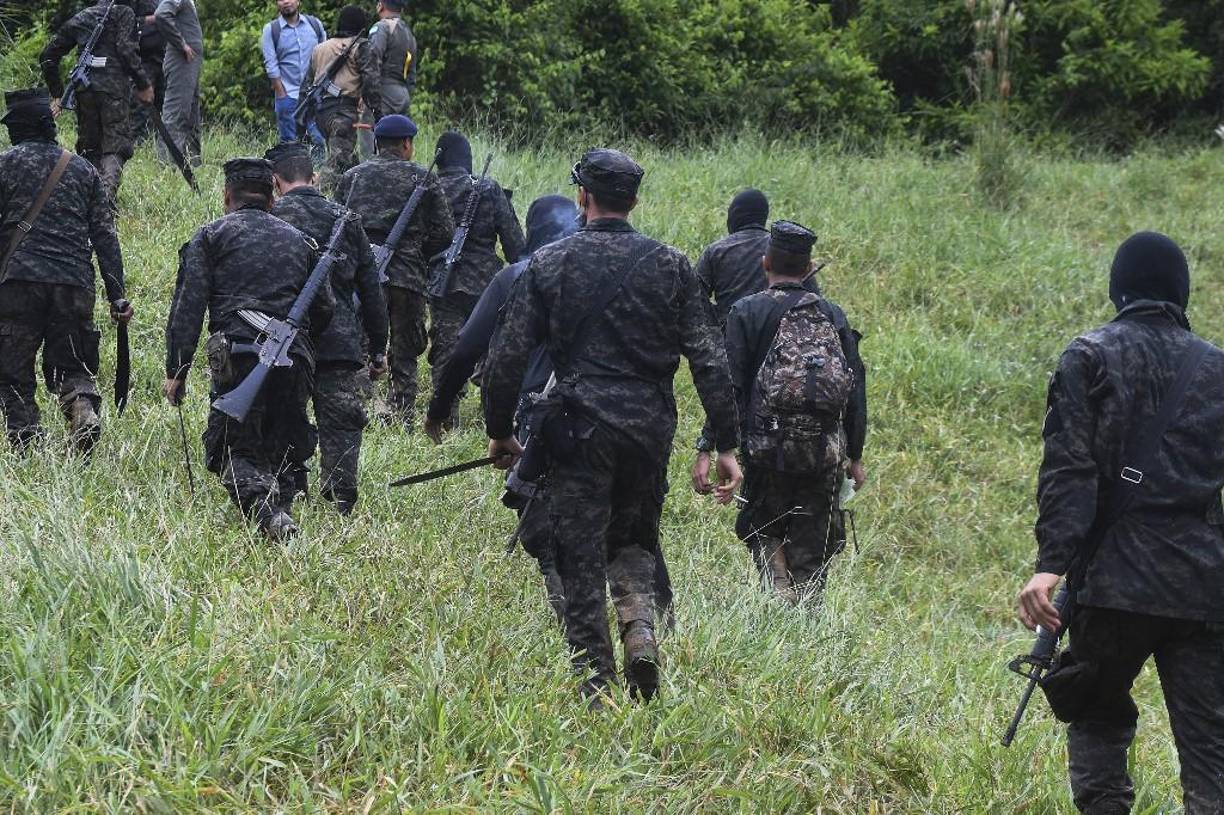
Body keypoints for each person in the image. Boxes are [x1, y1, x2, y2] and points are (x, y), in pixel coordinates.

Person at [482, 148, 743, 703]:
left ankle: (596, 684)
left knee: (578, 554)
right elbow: (711, 360)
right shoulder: (672, 265)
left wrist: (500, 430)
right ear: (634, 201)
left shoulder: (550, 263)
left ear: (583, 196)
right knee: (633, 537)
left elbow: (506, 356)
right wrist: (724, 443)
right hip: (649, 430)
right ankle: (640, 627)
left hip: (579, 429)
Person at [1018, 232, 1224, 814]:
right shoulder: (1218, 369)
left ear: (1119, 288)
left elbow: (1069, 470)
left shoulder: (1089, 355)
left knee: (1096, 712)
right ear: (1181, 292)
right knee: (1210, 746)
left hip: (1114, 581)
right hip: (1204, 587)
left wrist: (1050, 566)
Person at [163, 158, 334, 540]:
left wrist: (177, 370)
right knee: (283, 445)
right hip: (294, 358)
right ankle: (282, 520)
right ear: (273, 197)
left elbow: (188, 308)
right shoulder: (301, 241)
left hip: (237, 357)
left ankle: (267, 512)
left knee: (231, 448)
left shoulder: (210, 236)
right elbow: (325, 308)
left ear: (227, 195)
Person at [698, 221, 867, 604]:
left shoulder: (747, 311)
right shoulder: (833, 315)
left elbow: (728, 387)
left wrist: (715, 446)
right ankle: (805, 614)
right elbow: (856, 390)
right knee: (812, 545)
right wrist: (855, 456)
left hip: (766, 450)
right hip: (824, 453)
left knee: (765, 528)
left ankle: (777, 594)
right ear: (808, 269)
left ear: (765, 263)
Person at [0, 89, 133, 454]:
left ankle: (26, 440)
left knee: (12, 371)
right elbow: (105, 236)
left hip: (19, 283)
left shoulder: (5, 164)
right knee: (73, 365)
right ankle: (81, 407)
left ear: (19, 127)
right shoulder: (83, 169)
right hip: (74, 284)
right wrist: (117, 295)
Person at [266, 142, 389, 515]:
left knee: (285, 413)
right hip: (339, 340)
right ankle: (341, 498)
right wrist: (378, 348)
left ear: (275, 182)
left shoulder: (271, 217)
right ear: (315, 177)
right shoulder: (347, 219)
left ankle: (291, 488)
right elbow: (371, 289)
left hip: (287, 339)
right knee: (341, 419)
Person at [336, 114, 453, 428]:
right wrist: (417, 251)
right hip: (407, 277)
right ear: (406, 143)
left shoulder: (352, 176)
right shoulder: (423, 177)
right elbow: (445, 233)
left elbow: (338, 227)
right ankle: (402, 416)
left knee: (358, 345)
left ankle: (360, 412)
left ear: (376, 143)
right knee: (405, 351)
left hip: (362, 277)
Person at [426, 130, 524, 426]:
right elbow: (515, 246)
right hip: (486, 285)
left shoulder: (428, 188)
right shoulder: (488, 188)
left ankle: (446, 418)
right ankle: (493, 417)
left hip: (443, 283)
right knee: (493, 349)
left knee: (446, 348)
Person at [39, 0, 154, 206]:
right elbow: (126, 51)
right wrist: (143, 84)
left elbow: (47, 56)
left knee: (89, 147)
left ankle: (87, 201)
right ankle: (105, 203)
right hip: (114, 91)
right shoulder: (124, 13)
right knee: (116, 145)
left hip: (85, 92)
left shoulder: (83, 16)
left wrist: (56, 93)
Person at [304, 5, 380, 190]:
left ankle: (358, 190)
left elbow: (307, 83)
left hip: (321, 114)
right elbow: (371, 82)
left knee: (348, 159)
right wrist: (378, 111)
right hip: (343, 114)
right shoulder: (361, 46)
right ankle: (316, 194)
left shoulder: (320, 48)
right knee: (338, 162)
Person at [695, 188, 771, 324]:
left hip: (729, 330)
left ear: (734, 215)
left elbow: (693, 296)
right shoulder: (780, 248)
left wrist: (718, 318)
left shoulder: (716, 251)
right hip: (775, 330)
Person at [260, 0, 326, 145]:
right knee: (290, 145)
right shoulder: (271, 29)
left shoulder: (314, 24)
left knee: (319, 141)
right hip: (288, 95)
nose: (286, 2)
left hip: (313, 96)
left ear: (298, 2)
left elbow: (325, 55)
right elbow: (271, 64)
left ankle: (317, 162)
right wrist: (281, 94)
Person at [154, 0, 203, 166]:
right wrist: (181, 44)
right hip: (180, 61)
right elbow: (161, 14)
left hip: (188, 63)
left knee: (191, 115)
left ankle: (192, 164)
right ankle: (166, 165)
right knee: (175, 114)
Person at [367, 0, 417, 117]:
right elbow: (412, 74)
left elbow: (372, 62)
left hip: (383, 93)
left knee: (368, 127)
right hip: (403, 95)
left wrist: (369, 96)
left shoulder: (382, 27)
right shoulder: (409, 33)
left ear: (381, 6)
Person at [128, 0, 167, 145]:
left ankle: (159, 149)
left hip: (163, 56)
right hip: (142, 59)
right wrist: (151, 19)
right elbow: (123, 20)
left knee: (163, 108)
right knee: (140, 109)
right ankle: (137, 147)